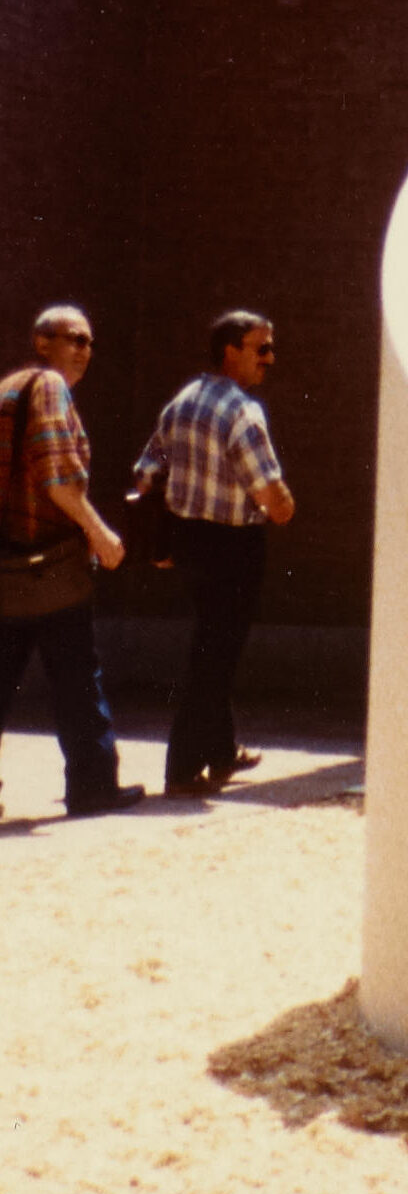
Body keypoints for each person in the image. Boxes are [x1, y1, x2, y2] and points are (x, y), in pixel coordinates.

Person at [132, 310, 294, 799]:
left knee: (212, 641)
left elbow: (146, 471)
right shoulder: (242, 412)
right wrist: (286, 506)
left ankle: (221, 753)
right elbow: (271, 495)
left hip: (191, 543)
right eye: (260, 348)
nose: (270, 358)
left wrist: (166, 533)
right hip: (233, 547)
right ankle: (182, 769)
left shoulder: (181, 404)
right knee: (214, 656)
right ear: (230, 352)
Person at [0, 306, 144, 818]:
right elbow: (58, 476)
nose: (85, 350)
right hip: (54, 568)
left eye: (89, 342)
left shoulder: (8, 389)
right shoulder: (50, 388)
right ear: (43, 343)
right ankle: (93, 787)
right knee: (79, 681)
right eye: (74, 339)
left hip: (8, 567)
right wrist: (100, 533)